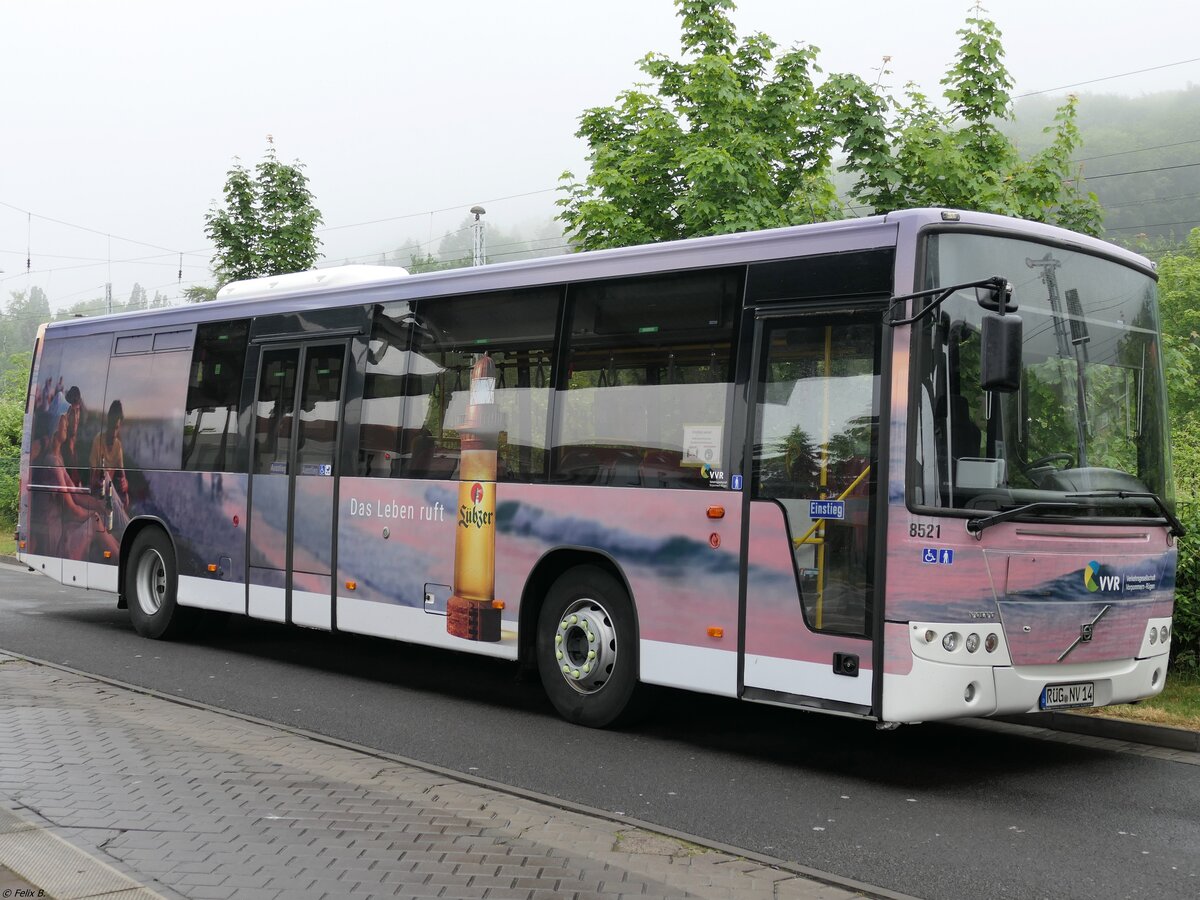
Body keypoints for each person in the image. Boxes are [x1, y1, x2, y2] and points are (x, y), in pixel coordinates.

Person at [89, 400, 129, 508]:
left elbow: (123, 478)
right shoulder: (98, 441)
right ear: (108, 423)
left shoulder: (118, 446)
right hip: (98, 493)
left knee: (125, 500)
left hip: (110, 493)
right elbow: (92, 481)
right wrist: (101, 481)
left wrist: (125, 485)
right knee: (106, 476)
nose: (114, 433)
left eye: (116, 428)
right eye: (112, 427)